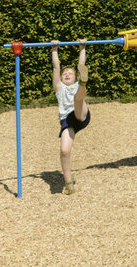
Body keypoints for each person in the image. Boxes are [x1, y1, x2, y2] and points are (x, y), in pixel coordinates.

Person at [51, 39, 90, 195]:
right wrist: (54, 49)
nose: (66, 74)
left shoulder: (74, 85)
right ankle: (68, 181)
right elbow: (56, 66)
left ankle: (83, 82)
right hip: (68, 120)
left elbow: (81, 64)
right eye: (64, 74)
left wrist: (82, 48)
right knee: (64, 150)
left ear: (75, 78)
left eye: (70, 73)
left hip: (81, 113)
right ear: (60, 78)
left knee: (77, 98)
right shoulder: (58, 87)